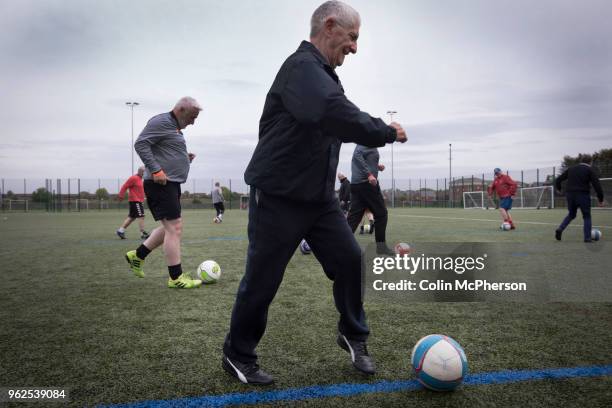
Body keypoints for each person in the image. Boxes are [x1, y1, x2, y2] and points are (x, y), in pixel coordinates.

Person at [221, 0, 407, 385]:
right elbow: (332, 112)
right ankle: (237, 355)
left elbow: (331, 118)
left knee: (350, 260)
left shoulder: (322, 74)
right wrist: (385, 131)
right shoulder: (302, 68)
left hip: (319, 199)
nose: (354, 47)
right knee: (263, 279)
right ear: (331, 25)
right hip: (278, 195)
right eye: (352, 37)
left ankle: (353, 335)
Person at [124, 97, 203, 289]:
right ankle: (175, 278)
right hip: (160, 184)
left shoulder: (175, 127)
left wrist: (184, 159)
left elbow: (163, 151)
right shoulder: (161, 121)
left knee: (172, 227)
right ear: (181, 109)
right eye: (192, 117)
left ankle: (138, 255)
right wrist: (156, 170)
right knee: (174, 228)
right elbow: (141, 144)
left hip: (171, 184)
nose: (193, 122)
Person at [346, 145, 392, 252]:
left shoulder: (368, 142)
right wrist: (369, 174)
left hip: (357, 185)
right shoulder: (366, 140)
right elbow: (357, 155)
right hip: (367, 185)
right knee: (381, 214)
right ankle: (381, 248)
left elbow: (363, 158)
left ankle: (339, 246)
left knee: (354, 218)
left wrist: (376, 166)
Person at [555, 159, 604, 242]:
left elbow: (558, 179)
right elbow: (597, 184)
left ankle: (560, 229)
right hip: (583, 195)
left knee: (571, 214)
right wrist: (600, 199)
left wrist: (559, 189)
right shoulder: (589, 169)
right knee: (586, 216)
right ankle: (587, 238)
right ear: (590, 162)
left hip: (570, 195)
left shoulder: (571, 169)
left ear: (580, 162)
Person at [116, 166, 149, 240]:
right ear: (140, 172)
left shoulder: (141, 179)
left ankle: (120, 231)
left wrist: (144, 197)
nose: (146, 173)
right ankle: (143, 233)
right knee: (141, 216)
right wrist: (121, 195)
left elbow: (139, 190)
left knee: (132, 217)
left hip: (138, 201)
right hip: (135, 200)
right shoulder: (133, 178)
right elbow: (125, 186)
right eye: (145, 172)